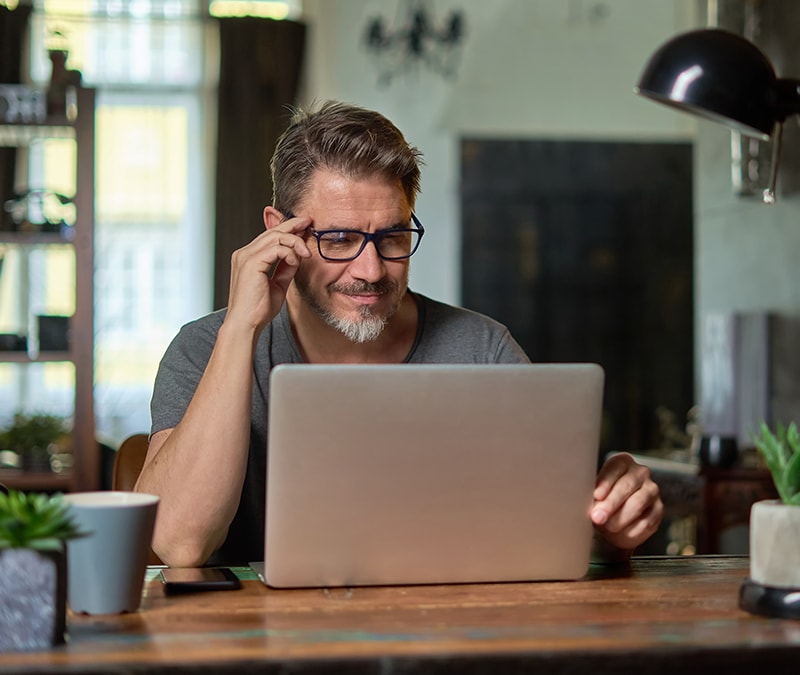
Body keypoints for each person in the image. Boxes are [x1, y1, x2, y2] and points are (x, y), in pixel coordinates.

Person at [137, 101, 663, 567]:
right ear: (279, 231)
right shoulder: (207, 347)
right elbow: (182, 544)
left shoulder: (483, 350)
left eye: (392, 236)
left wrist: (610, 526)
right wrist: (241, 329)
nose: (370, 269)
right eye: (339, 239)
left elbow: (551, 534)